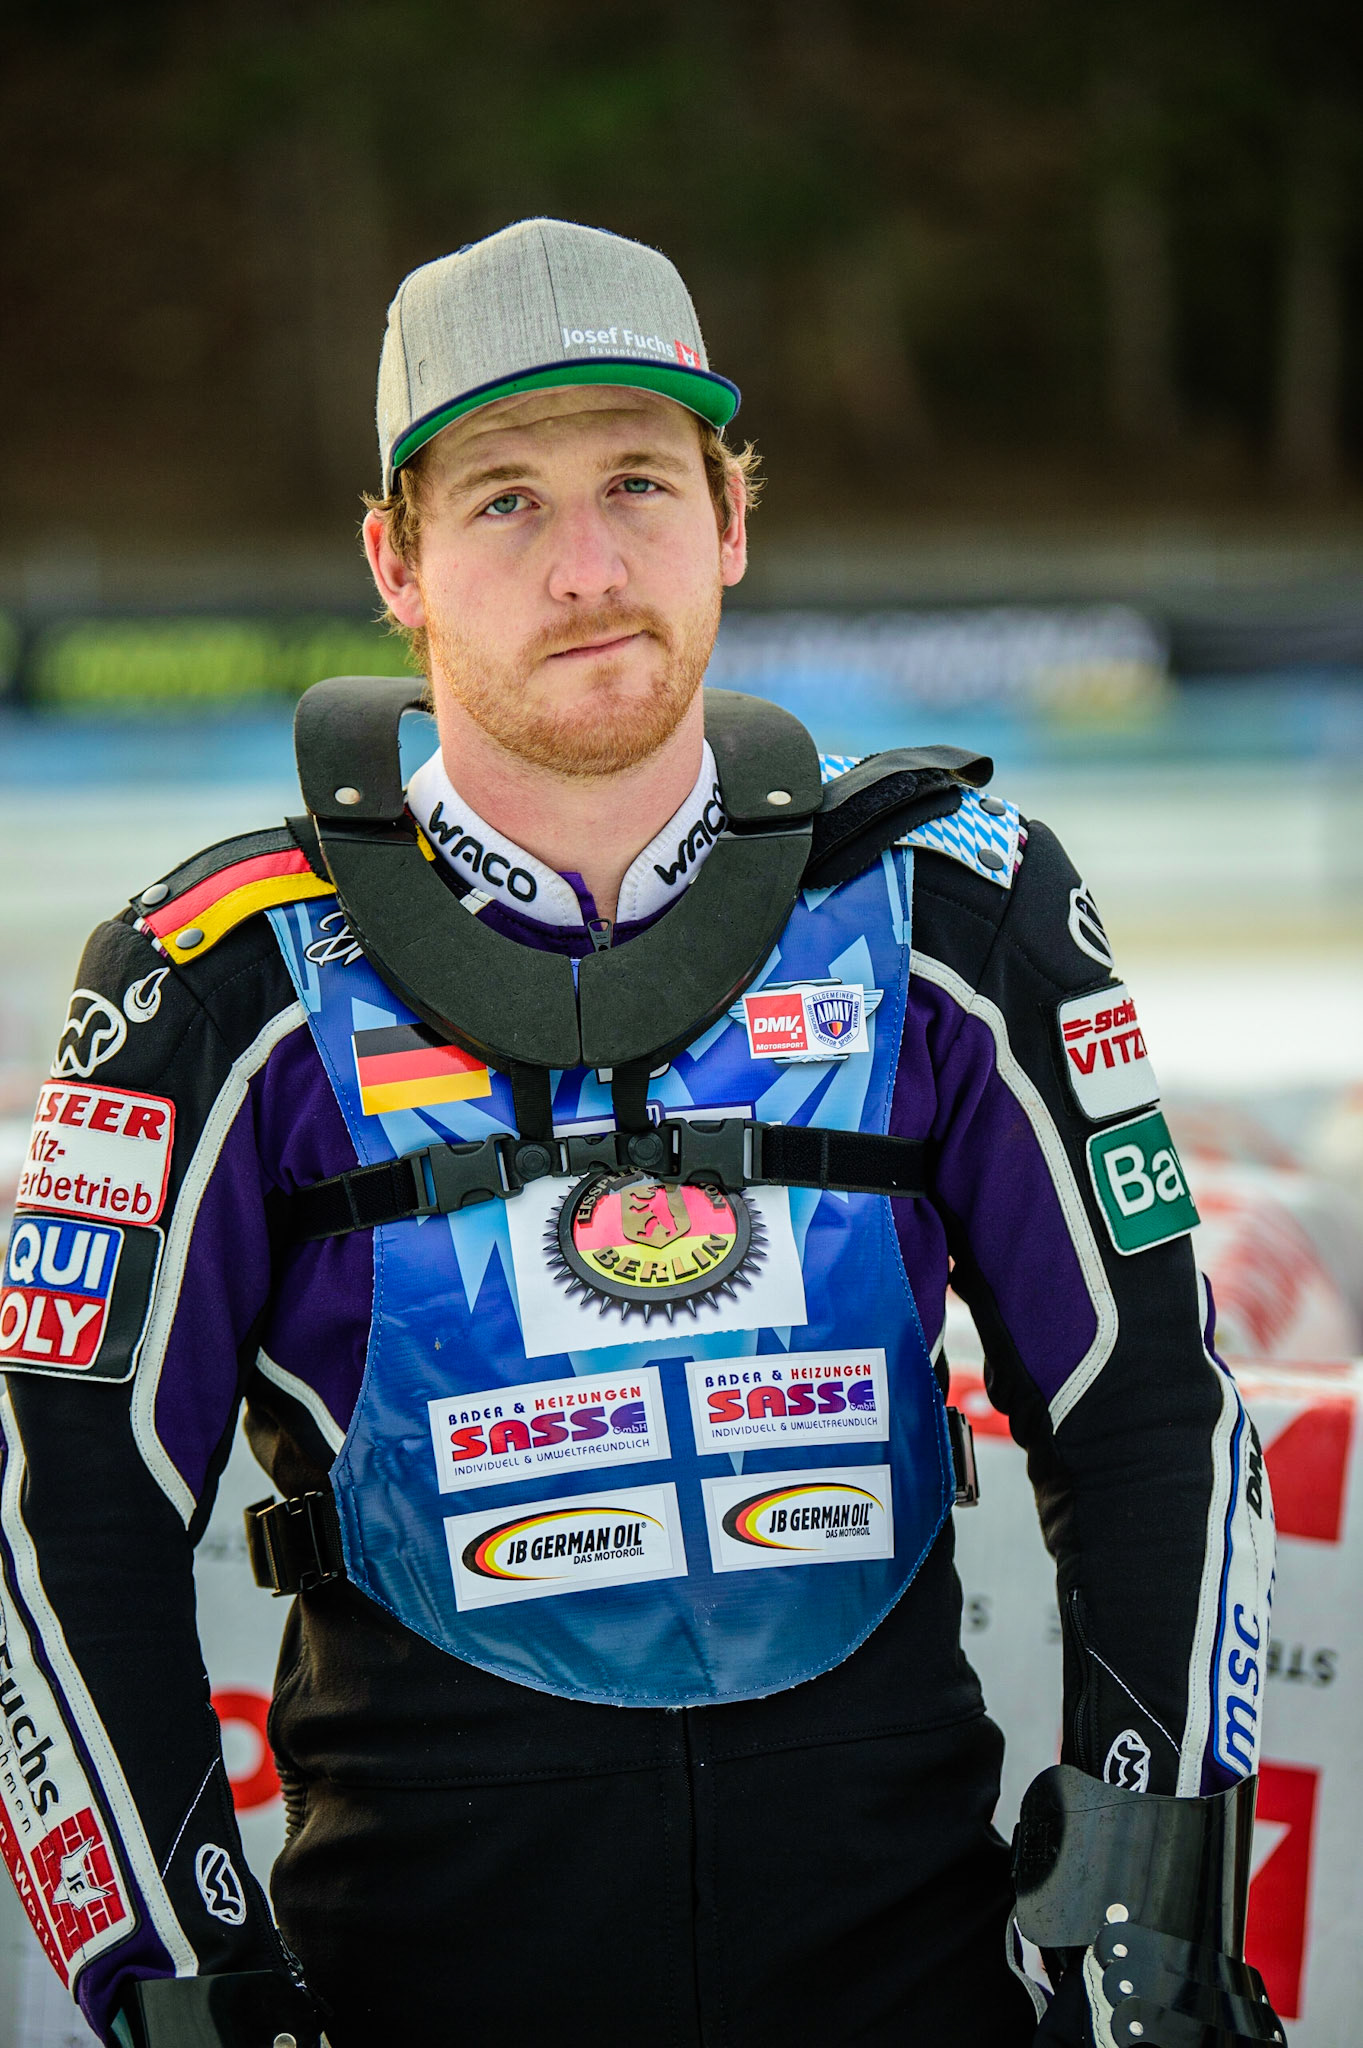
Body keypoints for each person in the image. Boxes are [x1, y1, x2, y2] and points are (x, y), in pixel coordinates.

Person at [0, 220, 1284, 2048]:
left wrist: (1142, 1936)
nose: (590, 565)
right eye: (506, 502)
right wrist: (190, 1996)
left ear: (732, 517)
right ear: (398, 561)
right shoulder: (217, 977)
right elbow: (67, 1529)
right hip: (416, 1984)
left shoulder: (952, 914)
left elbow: (1155, 1420)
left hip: (908, 1987)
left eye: (636, 483)